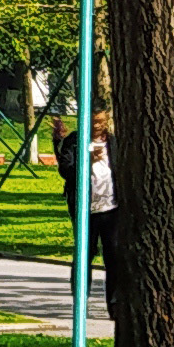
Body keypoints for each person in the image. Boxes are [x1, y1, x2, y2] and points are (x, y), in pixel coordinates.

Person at [56, 109, 120, 273]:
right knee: (85, 253)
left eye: (100, 121)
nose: (97, 125)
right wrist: (87, 160)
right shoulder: (75, 141)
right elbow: (65, 170)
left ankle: (113, 299)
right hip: (84, 208)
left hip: (110, 207)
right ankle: (80, 294)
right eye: (93, 121)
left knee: (113, 254)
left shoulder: (112, 142)